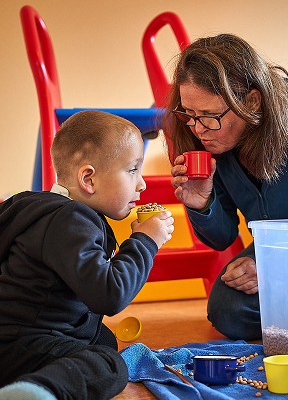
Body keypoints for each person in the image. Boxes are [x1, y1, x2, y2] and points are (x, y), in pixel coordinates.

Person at [164, 33, 288, 341]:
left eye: (209, 116)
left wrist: (277, 266)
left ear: (251, 100)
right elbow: (222, 239)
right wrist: (201, 204)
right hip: (273, 251)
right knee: (227, 310)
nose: (197, 129)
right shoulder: (208, 139)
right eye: (189, 115)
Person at [0, 110, 174, 400]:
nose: (142, 183)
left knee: (103, 340)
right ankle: (35, 392)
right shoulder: (70, 221)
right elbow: (109, 294)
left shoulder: (45, 211)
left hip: (23, 335)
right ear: (88, 179)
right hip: (20, 343)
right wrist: (145, 241)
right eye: (132, 170)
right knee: (110, 367)